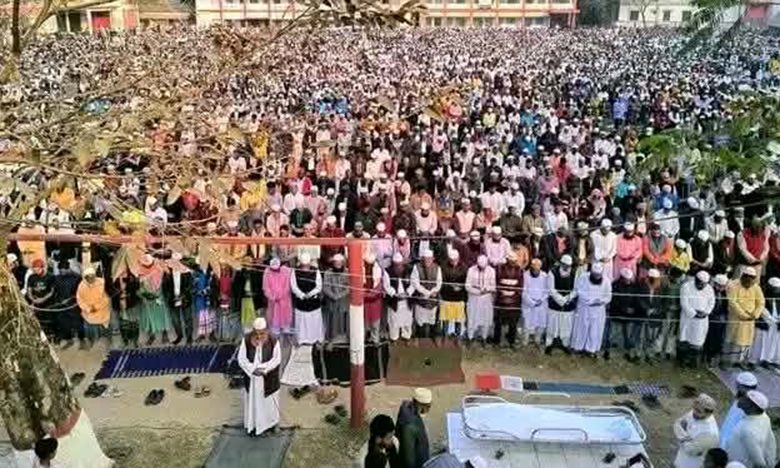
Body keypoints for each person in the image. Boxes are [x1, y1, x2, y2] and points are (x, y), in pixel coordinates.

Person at [237, 317, 281, 437]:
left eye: (261, 333)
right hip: (252, 378)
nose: (259, 336)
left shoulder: (273, 341)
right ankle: (255, 425)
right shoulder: (246, 340)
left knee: (269, 403)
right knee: (255, 402)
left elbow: (276, 359)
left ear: (266, 330)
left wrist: (265, 369)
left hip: (268, 378)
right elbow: (241, 359)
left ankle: (271, 424)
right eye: (256, 333)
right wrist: (252, 370)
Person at [724, 390, 777, 468]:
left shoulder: (748, 431)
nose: (741, 399)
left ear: (752, 407)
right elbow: (771, 442)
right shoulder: (764, 417)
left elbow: (759, 462)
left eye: (745, 399)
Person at [726, 267, 765, 368]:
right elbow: (732, 302)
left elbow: (761, 303)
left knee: (745, 342)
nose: (749, 279)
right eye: (747, 276)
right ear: (743, 276)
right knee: (731, 340)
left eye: (752, 277)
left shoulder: (756, 287)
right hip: (736, 318)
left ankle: (739, 362)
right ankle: (727, 361)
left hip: (750, 320)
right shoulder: (733, 285)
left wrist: (755, 315)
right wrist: (743, 315)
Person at [571, 262, 612, 358]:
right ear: (592, 272)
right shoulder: (583, 277)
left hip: (598, 310)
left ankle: (591, 349)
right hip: (584, 308)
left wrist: (600, 301)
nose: (597, 277)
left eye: (598, 275)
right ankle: (578, 347)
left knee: (595, 330)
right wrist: (590, 301)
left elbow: (608, 296)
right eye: (595, 275)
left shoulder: (606, 281)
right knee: (581, 328)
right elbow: (579, 291)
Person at [678, 271, 715, 368]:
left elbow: (711, 303)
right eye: (700, 284)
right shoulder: (686, 286)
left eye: (704, 284)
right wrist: (694, 313)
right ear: (696, 280)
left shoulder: (709, 289)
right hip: (688, 318)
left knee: (698, 340)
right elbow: (684, 303)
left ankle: (693, 361)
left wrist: (706, 312)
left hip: (702, 320)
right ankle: (682, 360)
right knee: (685, 338)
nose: (702, 286)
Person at [673, 393, 719, 468]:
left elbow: (690, 450)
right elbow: (677, 424)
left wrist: (682, 434)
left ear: (708, 414)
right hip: (680, 458)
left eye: (698, 411)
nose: (694, 413)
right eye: (694, 408)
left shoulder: (710, 433)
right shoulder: (696, 412)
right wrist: (686, 439)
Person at [545, 254, 577, 355]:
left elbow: (576, 289)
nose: (567, 267)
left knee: (566, 325)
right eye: (565, 265)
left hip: (568, 304)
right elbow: (551, 289)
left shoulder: (574, 273)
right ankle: (549, 344)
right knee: (552, 325)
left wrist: (567, 298)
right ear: (561, 263)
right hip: (554, 303)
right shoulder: (552, 272)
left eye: (568, 266)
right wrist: (560, 300)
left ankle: (565, 344)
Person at [290, 252, 324, 345]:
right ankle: (302, 339)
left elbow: (319, 286)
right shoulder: (295, 271)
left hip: (313, 301)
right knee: (301, 321)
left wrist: (310, 294)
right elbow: (293, 286)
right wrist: (301, 295)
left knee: (314, 320)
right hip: (300, 301)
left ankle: (316, 338)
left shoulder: (316, 271)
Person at [720, 371, 758, 449]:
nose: (736, 386)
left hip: (728, 443)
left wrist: (723, 445)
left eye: (738, 385)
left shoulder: (745, 405)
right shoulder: (743, 399)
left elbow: (730, 427)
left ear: (744, 387)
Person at [494, 251, 524, 348]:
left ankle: (511, 340)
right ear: (507, 260)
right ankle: (497, 341)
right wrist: (502, 292)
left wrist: (514, 293)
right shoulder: (499, 268)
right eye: (511, 261)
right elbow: (496, 283)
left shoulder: (519, 270)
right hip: (501, 300)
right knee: (498, 322)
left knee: (513, 322)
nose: (513, 263)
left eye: (515, 261)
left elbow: (521, 285)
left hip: (514, 301)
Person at [411, 250, 442, 342]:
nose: (427, 261)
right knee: (420, 321)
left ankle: (432, 338)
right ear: (423, 259)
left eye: (429, 259)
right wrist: (425, 292)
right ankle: (420, 338)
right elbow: (415, 282)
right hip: (421, 299)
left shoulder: (437, 268)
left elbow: (439, 282)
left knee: (432, 320)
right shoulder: (416, 267)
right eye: (426, 259)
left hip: (432, 298)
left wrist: (433, 291)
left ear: (433, 259)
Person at [76, 267, 111, 349]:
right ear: (85, 278)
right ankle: (93, 341)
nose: (91, 279)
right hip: (89, 313)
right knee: (90, 329)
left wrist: (96, 307)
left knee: (104, 329)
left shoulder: (102, 283)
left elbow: (107, 298)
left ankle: (105, 341)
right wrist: (88, 309)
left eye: (92, 276)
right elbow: (79, 299)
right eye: (88, 277)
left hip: (102, 311)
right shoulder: (81, 285)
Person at [396, 388, 432, 468]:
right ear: (421, 405)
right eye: (428, 406)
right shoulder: (409, 425)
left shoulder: (411, 411)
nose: (429, 408)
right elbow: (409, 460)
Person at [749, 277, 780, 368]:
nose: (777, 290)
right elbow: (762, 310)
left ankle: (768, 360)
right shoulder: (762, 296)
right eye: (776, 288)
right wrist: (772, 321)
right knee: (759, 343)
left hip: (776, 324)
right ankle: (753, 361)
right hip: (765, 323)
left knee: (774, 343)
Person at [465, 255, 496, 345]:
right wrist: (478, 292)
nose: (482, 268)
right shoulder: (471, 270)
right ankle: (470, 337)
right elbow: (467, 286)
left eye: (483, 267)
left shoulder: (491, 271)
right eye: (480, 267)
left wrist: (486, 289)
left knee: (486, 318)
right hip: (473, 298)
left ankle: (484, 337)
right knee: (472, 318)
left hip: (486, 298)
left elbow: (493, 286)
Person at [384, 253, 415, 343]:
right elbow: (387, 286)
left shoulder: (409, 270)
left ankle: (406, 336)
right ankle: (394, 338)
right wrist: (395, 294)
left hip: (406, 299)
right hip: (395, 300)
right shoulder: (387, 271)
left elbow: (414, 283)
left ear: (402, 263)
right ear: (393, 264)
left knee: (407, 320)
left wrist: (408, 292)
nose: (398, 267)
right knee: (394, 322)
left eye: (400, 264)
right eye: (396, 265)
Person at [439, 249, 468, 341]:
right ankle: (445, 336)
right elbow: (442, 281)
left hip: (459, 297)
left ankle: (457, 335)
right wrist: (451, 287)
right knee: (446, 318)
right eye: (452, 260)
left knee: (458, 318)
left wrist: (460, 287)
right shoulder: (443, 267)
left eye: (455, 260)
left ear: (458, 258)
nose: (453, 262)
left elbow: (466, 281)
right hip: (447, 296)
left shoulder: (464, 267)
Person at [322, 254, 350, 344]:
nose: (338, 265)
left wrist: (339, 295)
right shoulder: (328, 273)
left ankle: (345, 338)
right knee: (332, 321)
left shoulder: (347, 272)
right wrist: (333, 296)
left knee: (344, 320)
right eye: (336, 263)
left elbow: (349, 287)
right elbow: (325, 287)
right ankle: (331, 339)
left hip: (343, 302)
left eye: (340, 263)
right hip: (332, 302)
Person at [522, 258, 548, 347]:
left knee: (541, 323)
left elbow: (547, 290)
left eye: (537, 269)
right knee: (527, 323)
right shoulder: (525, 275)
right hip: (528, 304)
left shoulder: (544, 276)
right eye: (534, 269)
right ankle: (525, 341)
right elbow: (523, 291)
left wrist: (541, 300)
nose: (535, 271)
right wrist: (531, 302)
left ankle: (537, 340)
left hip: (541, 304)